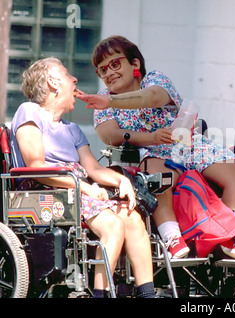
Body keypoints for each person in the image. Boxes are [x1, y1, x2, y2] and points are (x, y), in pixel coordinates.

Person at [75, 35, 235, 260]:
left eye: (115, 64)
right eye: (102, 70)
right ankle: (172, 237)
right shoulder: (102, 98)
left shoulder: (154, 80)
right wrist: (151, 138)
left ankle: (230, 236)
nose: (109, 73)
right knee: (160, 178)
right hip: (149, 152)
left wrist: (111, 102)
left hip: (186, 144)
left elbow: (153, 98)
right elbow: (108, 134)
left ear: (135, 64)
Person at [9, 57, 156, 298]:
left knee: (132, 217)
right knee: (112, 225)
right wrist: (85, 188)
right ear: (54, 82)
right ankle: (100, 294)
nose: (75, 80)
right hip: (42, 189)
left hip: (76, 188)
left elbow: (94, 170)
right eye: (67, 75)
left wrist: (122, 181)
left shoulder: (72, 129)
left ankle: (147, 294)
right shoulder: (29, 111)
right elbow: (35, 166)